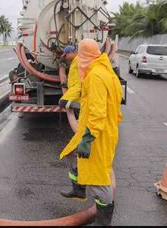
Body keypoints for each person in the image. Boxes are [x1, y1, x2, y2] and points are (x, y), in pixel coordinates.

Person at [59, 38, 123, 226]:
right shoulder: (104, 70)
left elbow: (97, 112)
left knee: (99, 177)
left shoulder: (95, 76)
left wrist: (88, 138)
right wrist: (69, 100)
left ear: (83, 54)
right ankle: (78, 188)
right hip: (98, 129)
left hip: (97, 133)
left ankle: (103, 221)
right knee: (72, 154)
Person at [58, 45, 81, 111]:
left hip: (77, 89)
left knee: (63, 102)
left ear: (70, 53)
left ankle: (83, 107)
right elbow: (75, 76)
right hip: (75, 89)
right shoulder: (75, 61)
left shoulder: (79, 61)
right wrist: (67, 84)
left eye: (66, 55)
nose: (66, 58)